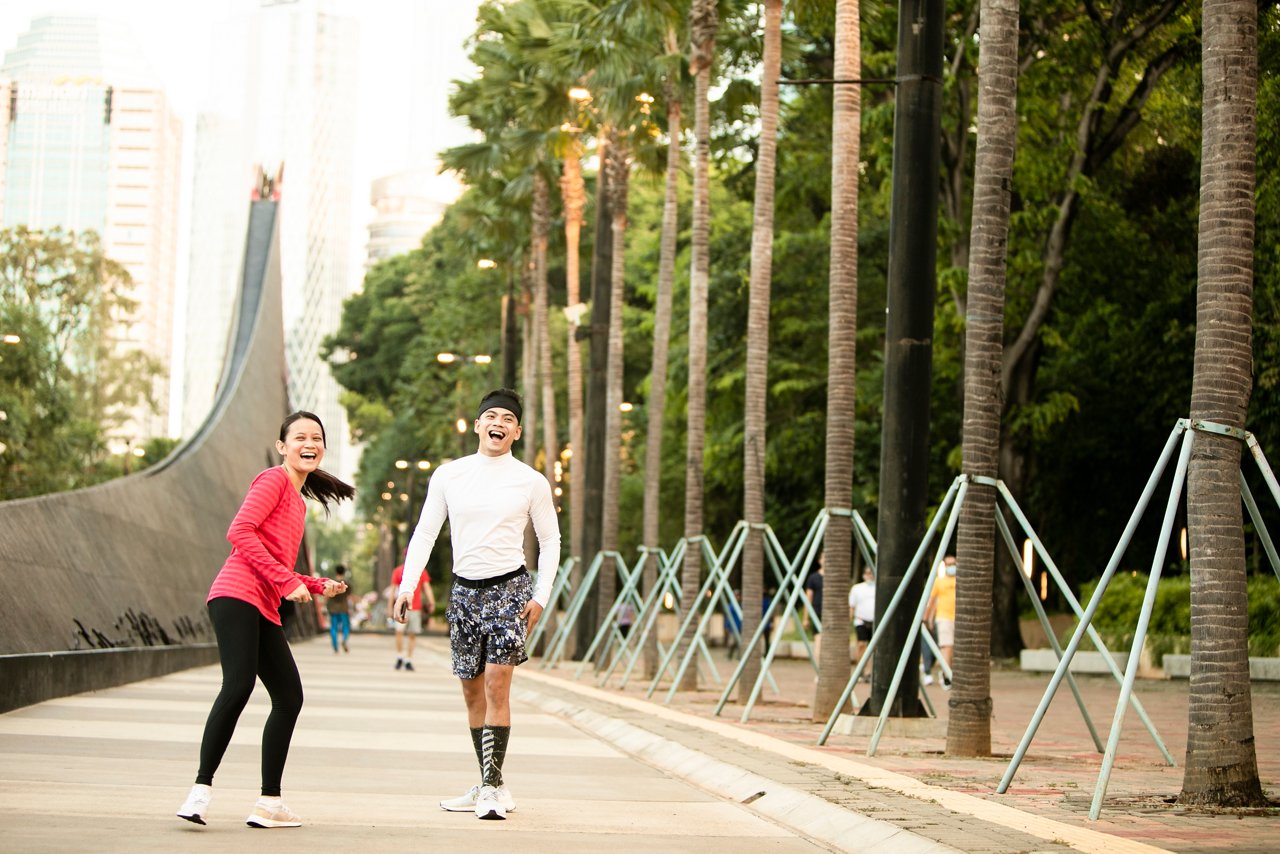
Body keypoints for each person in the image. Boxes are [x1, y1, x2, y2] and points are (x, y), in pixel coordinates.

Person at [177, 411, 354, 829]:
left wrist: (313, 584)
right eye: (299, 438)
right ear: (282, 446)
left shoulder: (297, 499)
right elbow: (239, 532)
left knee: (289, 697)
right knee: (237, 686)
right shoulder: (273, 479)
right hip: (236, 595)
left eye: (317, 438)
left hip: (263, 604)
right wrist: (283, 579)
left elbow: (274, 558)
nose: (309, 444)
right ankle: (199, 792)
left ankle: (269, 802)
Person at [394, 388, 560, 821]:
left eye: (507, 418)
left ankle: (489, 787)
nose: (498, 423)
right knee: (471, 693)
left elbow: (550, 541)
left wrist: (540, 595)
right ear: (478, 424)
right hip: (464, 592)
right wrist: (406, 586)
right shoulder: (449, 475)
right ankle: (491, 779)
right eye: (491, 416)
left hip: (510, 591)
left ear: (517, 431)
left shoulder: (531, 481)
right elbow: (426, 533)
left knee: (497, 686)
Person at [389, 555, 434, 671]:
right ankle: (400, 656)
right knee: (400, 632)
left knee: (411, 633)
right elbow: (393, 590)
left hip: (415, 606)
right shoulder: (398, 571)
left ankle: (408, 658)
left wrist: (431, 601)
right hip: (402, 606)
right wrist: (390, 607)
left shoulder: (422, 572)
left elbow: (426, 587)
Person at [924, 555, 958, 689]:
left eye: (953, 564)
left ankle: (947, 672)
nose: (951, 567)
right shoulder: (939, 581)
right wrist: (927, 619)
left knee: (954, 649)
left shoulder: (962, 580)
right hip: (944, 617)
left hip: (960, 619)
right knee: (947, 646)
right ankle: (946, 675)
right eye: (949, 564)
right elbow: (932, 602)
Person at [848, 566, 876, 678]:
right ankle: (860, 670)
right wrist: (849, 623)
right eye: (867, 573)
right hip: (861, 620)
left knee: (872, 648)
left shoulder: (877, 587)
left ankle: (869, 672)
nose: (869, 575)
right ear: (863, 575)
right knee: (861, 644)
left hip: (874, 620)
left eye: (871, 573)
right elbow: (851, 606)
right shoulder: (857, 588)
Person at [804, 554, 825, 660]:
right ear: (819, 560)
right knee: (819, 641)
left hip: (831, 614)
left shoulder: (835, 578)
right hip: (817, 612)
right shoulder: (813, 578)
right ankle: (818, 673)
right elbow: (808, 598)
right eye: (823, 557)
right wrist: (805, 618)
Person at [327, 565, 352, 653]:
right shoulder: (347, 583)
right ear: (344, 572)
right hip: (343, 608)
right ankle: (344, 639)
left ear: (336, 571)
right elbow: (349, 595)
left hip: (333, 608)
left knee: (334, 627)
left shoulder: (330, 582)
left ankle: (335, 646)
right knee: (345, 626)